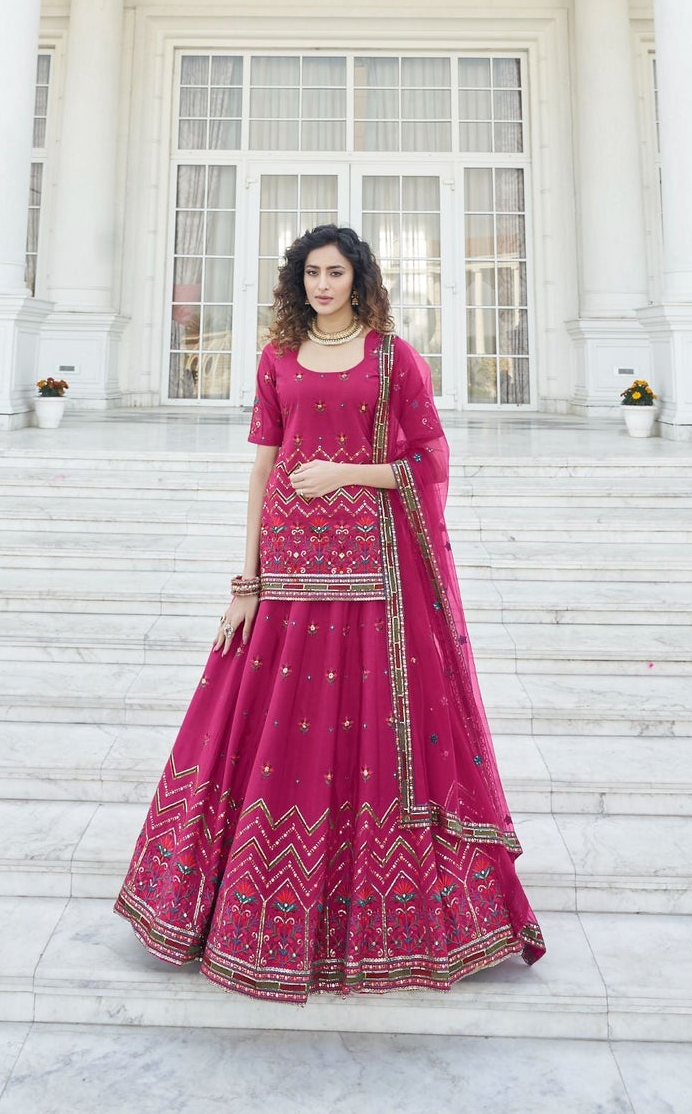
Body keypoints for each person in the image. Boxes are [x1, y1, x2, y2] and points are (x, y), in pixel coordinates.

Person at [114, 222, 546, 1002]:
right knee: (270, 733)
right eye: (310, 272)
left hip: (374, 574)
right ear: (295, 280)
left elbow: (430, 456)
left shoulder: (390, 357)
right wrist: (243, 582)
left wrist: (352, 472)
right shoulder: (277, 358)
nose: (322, 285)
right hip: (286, 569)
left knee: (368, 735)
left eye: (335, 273)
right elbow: (262, 467)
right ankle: (238, 914)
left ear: (359, 280)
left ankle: (381, 922)